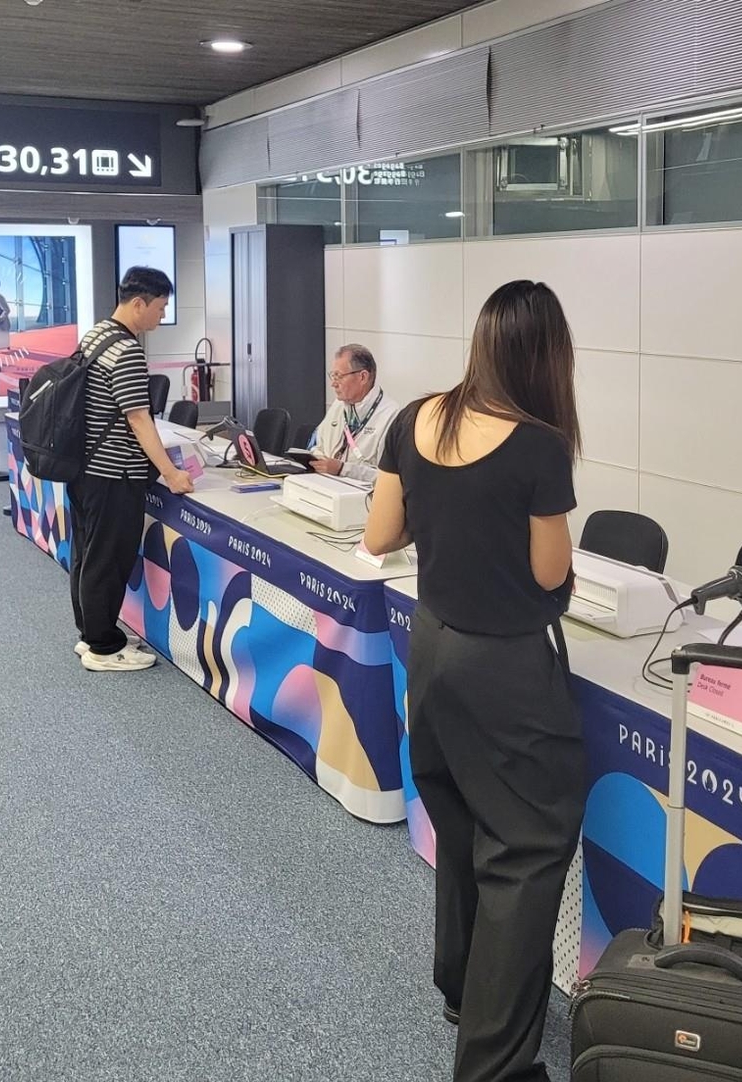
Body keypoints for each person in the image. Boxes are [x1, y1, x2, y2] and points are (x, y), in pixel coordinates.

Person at [364, 281, 584, 1082]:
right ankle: (494, 1065)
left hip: (430, 647)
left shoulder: (415, 416)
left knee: (458, 824)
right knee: (527, 851)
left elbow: (381, 534)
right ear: (547, 354)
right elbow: (549, 573)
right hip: (506, 667)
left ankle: (463, 988)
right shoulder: (539, 445)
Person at [70, 266, 194, 672]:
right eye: (159, 307)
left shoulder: (95, 336)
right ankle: (104, 648)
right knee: (108, 558)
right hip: (113, 473)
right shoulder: (125, 350)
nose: (162, 315)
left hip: (84, 466)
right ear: (138, 302)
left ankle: (90, 634)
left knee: (88, 553)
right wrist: (171, 474)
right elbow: (139, 419)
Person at [307, 343, 401, 486]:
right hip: (326, 488)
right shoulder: (339, 405)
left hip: (363, 500)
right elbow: (317, 445)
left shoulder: (391, 415)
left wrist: (343, 469)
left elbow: (389, 478)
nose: (333, 384)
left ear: (363, 377)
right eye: (332, 376)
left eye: (339, 376)